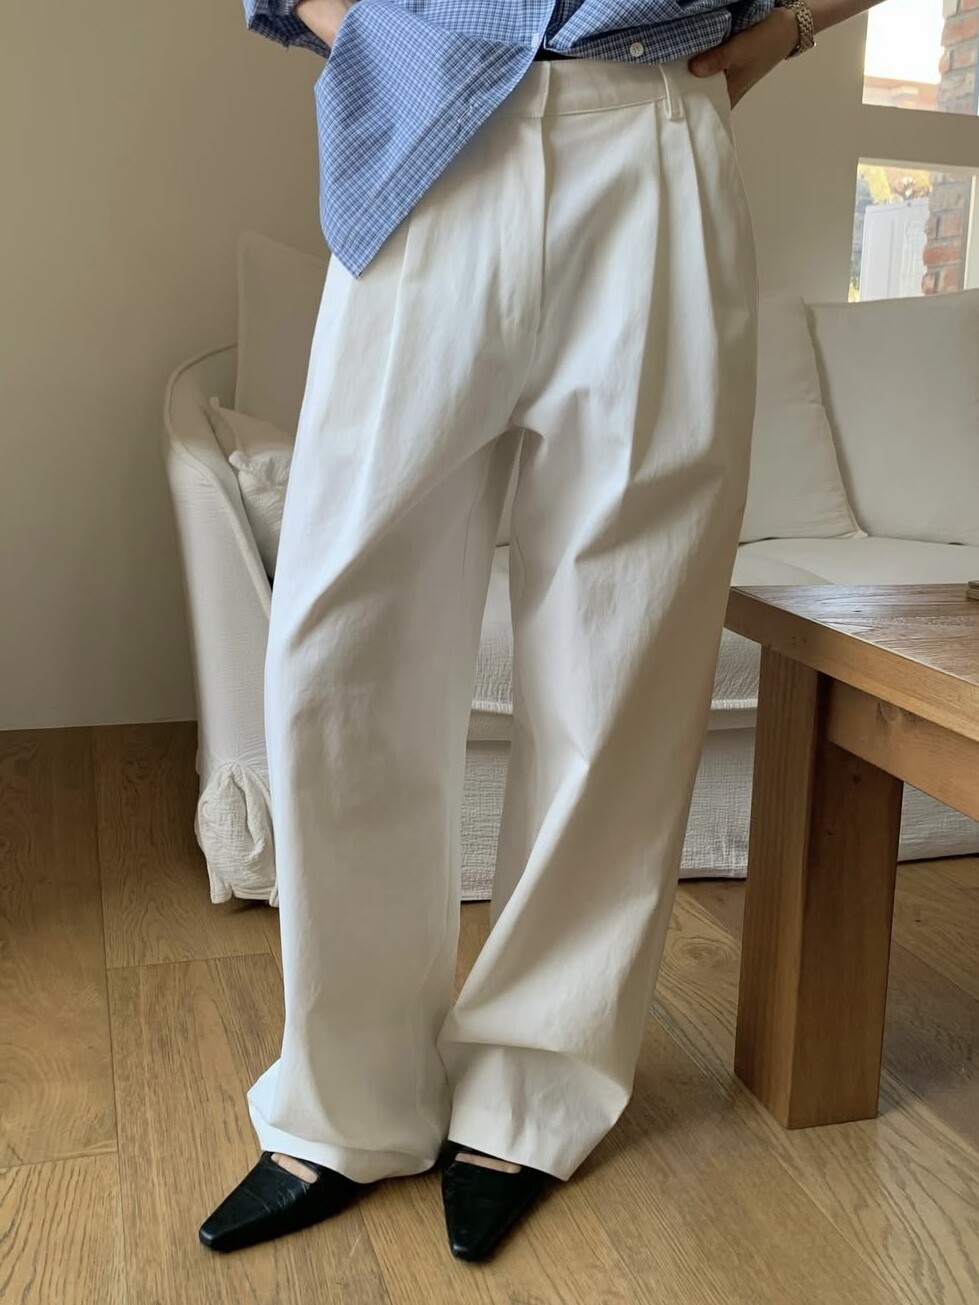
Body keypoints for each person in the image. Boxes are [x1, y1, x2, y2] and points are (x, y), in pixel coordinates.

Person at [201, 0, 884, 1264]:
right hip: (424, 114)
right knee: (338, 648)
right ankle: (347, 1102)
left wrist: (793, 23)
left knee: (620, 651)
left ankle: (530, 1090)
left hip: (653, 123)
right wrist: (352, 22)